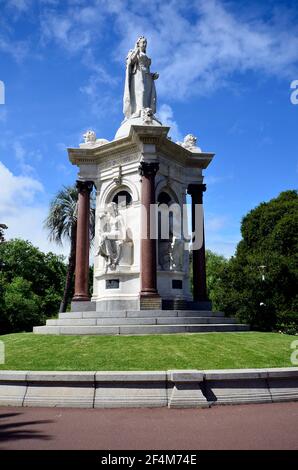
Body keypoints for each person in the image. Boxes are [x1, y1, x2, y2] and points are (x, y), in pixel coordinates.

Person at [123, 36, 159, 120]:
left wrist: (153, 75)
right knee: (141, 91)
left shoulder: (145, 55)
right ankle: (139, 111)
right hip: (138, 74)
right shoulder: (133, 52)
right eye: (143, 42)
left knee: (149, 94)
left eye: (146, 43)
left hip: (147, 76)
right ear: (138, 44)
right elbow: (130, 61)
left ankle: (147, 111)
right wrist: (136, 50)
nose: (145, 44)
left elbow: (147, 69)